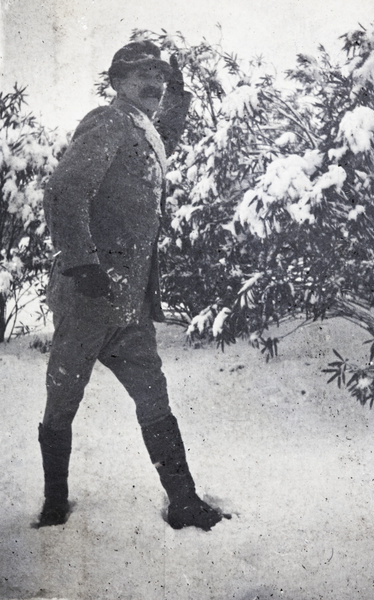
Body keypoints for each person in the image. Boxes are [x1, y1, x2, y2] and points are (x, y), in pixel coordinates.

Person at [36, 41, 229, 531]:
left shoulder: (142, 130)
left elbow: (166, 135)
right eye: (141, 74)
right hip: (87, 298)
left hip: (129, 306)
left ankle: (184, 501)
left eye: (159, 76)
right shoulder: (108, 122)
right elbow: (64, 190)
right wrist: (83, 264)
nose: (154, 84)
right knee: (63, 399)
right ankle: (54, 506)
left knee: (154, 398)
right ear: (117, 81)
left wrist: (182, 97)